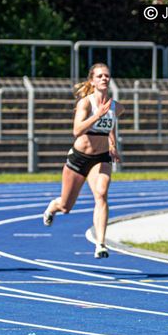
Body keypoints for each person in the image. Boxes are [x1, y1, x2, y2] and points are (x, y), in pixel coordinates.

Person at [42, 63, 124, 259]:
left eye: (107, 75)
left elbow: (110, 124)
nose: (104, 78)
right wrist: (98, 115)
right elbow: (77, 130)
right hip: (80, 157)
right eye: (100, 76)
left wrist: (112, 143)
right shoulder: (86, 104)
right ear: (92, 81)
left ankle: (101, 244)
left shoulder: (116, 107)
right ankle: (53, 207)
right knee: (66, 206)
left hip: (101, 158)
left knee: (101, 194)